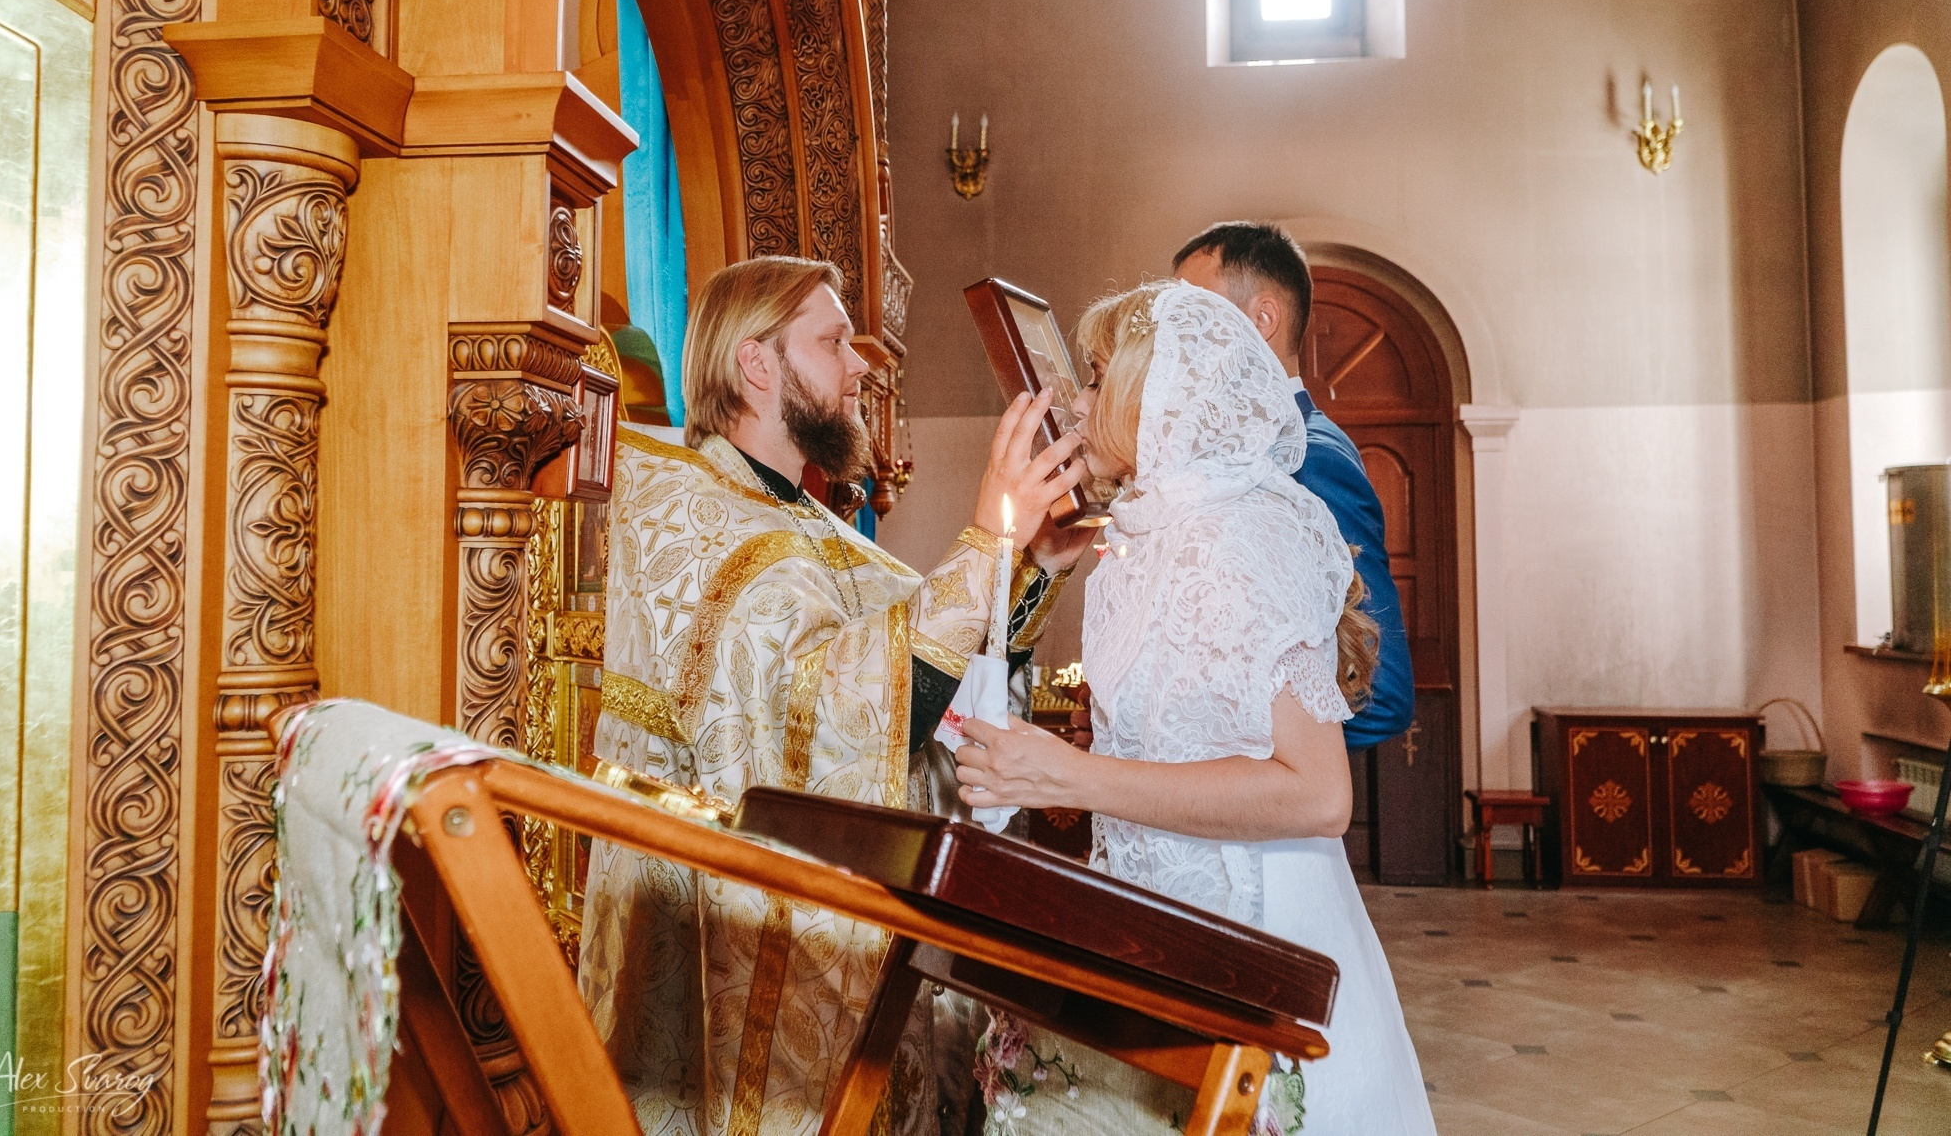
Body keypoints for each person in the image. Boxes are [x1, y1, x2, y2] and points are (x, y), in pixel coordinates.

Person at [576, 256, 1092, 1136]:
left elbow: (913, 684)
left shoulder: (803, 519)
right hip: (705, 927)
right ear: (756, 364)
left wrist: (1029, 564)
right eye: (832, 342)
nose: (863, 364)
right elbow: (831, 701)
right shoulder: (686, 512)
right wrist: (988, 534)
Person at [952, 282, 1434, 1135]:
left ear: (1154, 391)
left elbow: (1318, 793)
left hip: (1256, 924)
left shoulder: (1241, 529)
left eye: (1097, 378)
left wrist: (1075, 772)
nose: (1077, 399)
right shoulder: (1147, 535)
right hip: (1159, 921)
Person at [1173, 223, 1415, 752]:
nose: (1174, 335)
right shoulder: (1236, 451)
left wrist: (1223, 745)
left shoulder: (1312, 458)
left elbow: (1383, 692)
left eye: (1193, 313)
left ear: (1263, 319)